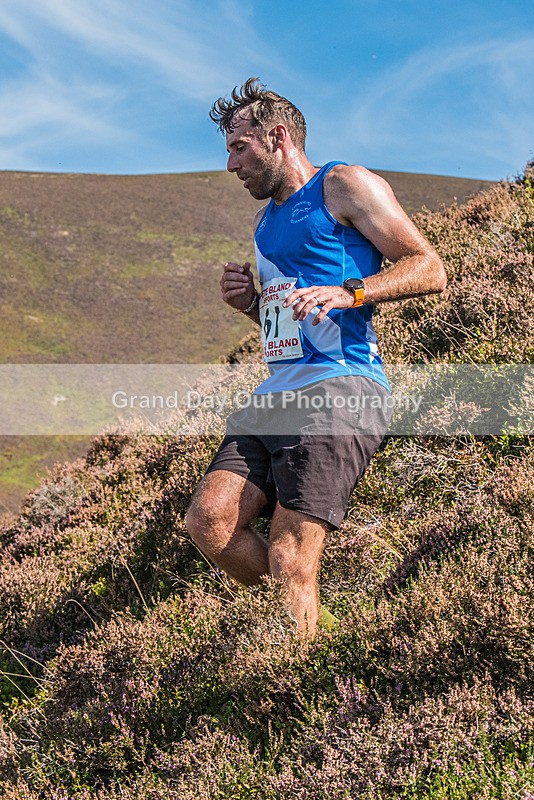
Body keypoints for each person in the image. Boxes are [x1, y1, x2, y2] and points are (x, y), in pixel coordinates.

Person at [185, 78, 446, 637]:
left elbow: (428, 267)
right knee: (209, 522)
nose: (230, 164)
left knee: (289, 556)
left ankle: (300, 658)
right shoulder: (264, 224)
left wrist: (352, 290)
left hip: (341, 388)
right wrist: (253, 305)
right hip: (276, 393)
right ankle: (310, 621)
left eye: (239, 147)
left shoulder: (344, 184)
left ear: (277, 137)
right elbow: (291, 325)